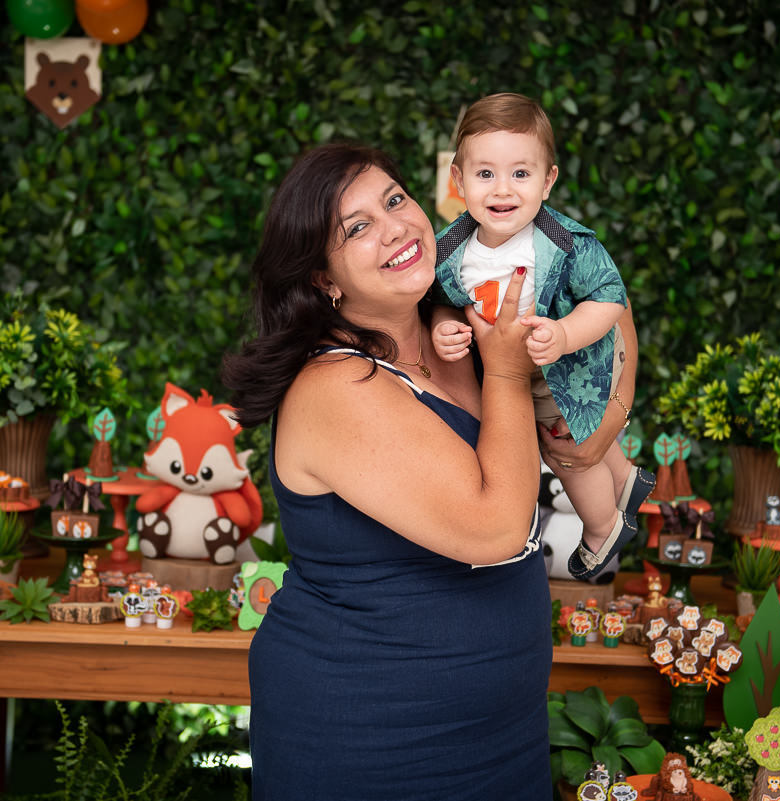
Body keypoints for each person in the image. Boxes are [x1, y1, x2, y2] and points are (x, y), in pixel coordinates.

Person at [223, 142, 604, 799]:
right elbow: (495, 528)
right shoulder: (333, 385)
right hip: (373, 743)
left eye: (395, 199)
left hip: (499, 739)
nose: (397, 225)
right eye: (358, 227)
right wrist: (510, 371)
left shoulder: (452, 331)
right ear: (324, 278)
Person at [430, 92, 654, 582]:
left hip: (579, 360)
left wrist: (566, 333)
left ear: (548, 181)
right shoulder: (449, 251)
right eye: (485, 173)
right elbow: (442, 300)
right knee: (548, 426)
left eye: (521, 174)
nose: (502, 189)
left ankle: (601, 530)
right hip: (526, 371)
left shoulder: (565, 243)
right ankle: (625, 478)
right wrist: (442, 327)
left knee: (566, 448)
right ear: (459, 179)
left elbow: (611, 296)